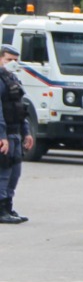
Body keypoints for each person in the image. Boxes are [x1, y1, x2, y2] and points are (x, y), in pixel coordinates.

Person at [0, 43, 32, 224]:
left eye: (15, 60)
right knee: (3, 172)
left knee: (15, 173)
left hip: (16, 133)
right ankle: (1, 208)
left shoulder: (12, 79)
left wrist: (26, 132)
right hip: (6, 134)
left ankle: (8, 206)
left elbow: (21, 108)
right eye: (9, 60)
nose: (13, 63)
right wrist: (2, 136)